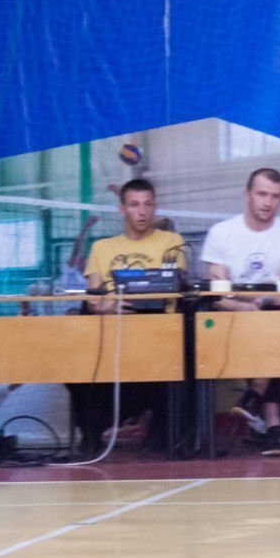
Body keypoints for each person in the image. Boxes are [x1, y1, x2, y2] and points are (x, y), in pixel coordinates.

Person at [202, 168, 280, 456]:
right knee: (263, 325)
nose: (268, 202)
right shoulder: (221, 233)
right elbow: (218, 296)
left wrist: (244, 296)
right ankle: (271, 424)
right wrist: (247, 304)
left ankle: (258, 402)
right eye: (262, 194)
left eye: (275, 196)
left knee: (273, 322)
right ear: (247, 195)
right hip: (235, 319)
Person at [73, 180, 186, 455]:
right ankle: (91, 434)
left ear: (155, 207)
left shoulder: (172, 242)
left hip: (160, 334)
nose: (142, 211)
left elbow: (175, 285)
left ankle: (162, 434)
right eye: (134, 205)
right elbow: (93, 298)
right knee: (76, 364)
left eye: (148, 204)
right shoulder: (102, 247)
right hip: (113, 335)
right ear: (122, 209)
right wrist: (107, 307)